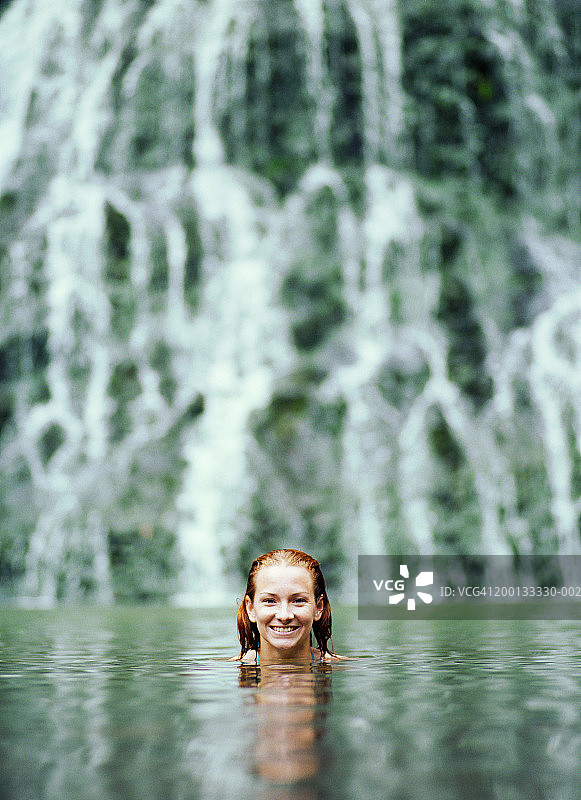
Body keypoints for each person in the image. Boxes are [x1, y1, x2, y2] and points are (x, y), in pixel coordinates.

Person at [231, 548, 347, 663]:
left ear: (318, 608)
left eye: (298, 601)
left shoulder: (342, 666)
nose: (284, 616)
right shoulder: (232, 668)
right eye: (269, 601)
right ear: (250, 609)